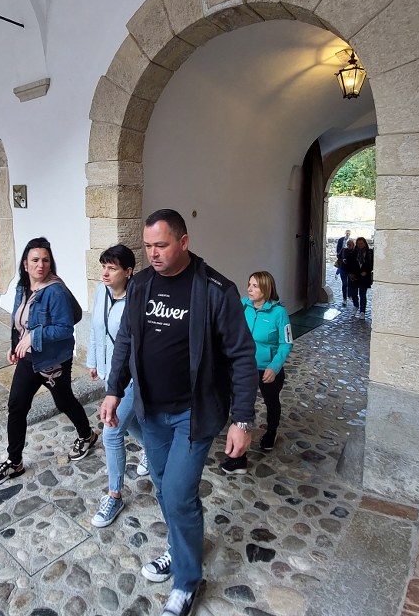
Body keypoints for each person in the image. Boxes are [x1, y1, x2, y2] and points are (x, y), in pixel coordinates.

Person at [100, 209, 258, 616]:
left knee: (177, 493)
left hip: (194, 412)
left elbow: (242, 356)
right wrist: (113, 390)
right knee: (162, 484)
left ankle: (187, 582)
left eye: (162, 245)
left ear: (183, 242)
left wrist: (242, 419)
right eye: (148, 246)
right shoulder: (140, 285)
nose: (153, 253)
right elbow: (126, 340)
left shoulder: (215, 290)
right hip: (151, 410)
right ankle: (180, 546)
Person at [0, 237, 98, 487]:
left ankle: (87, 435)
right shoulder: (22, 286)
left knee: (64, 400)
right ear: (25, 264)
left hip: (53, 361)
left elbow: (65, 329)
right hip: (29, 358)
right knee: (17, 406)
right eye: (35, 260)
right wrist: (15, 344)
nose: (41, 265)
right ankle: (14, 461)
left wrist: (33, 337)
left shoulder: (55, 291)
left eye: (45, 260)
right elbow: (18, 319)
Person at [86, 244, 149, 528]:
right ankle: (154, 448)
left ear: (128, 271)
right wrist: (93, 361)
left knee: (111, 432)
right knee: (128, 421)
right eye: (104, 267)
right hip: (110, 374)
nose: (105, 273)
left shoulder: (139, 300)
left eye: (112, 268)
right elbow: (95, 328)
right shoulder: (102, 291)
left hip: (132, 377)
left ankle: (114, 495)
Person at [221, 271, 293, 475]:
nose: (249, 289)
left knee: (271, 401)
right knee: (241, 406)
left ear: (266, 289)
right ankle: (238, 457)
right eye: (249, 284)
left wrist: (274, 367)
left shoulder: (279, 313)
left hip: (267, 368)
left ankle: (271, 430)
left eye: (255, 286)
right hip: (243, 367)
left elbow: (286, 343)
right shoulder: (243, 305)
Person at [347, 236, 374, 319]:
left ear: (365, 244)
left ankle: (362, 311)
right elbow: (349, 264)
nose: (360, 245)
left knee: (362, 294)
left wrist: (366, 271)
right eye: (358, 244)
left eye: (361, 243)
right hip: (354, 276)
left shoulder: (369, 253)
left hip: (364, 277)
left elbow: (372, 264)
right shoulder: (353, 253)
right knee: (354, 294)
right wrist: (350, 273)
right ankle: (356, 305)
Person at [337, 238, 355, 306]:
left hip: (351, 270)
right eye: (348, 244)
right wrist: (342, 260)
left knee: (351, 284)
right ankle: (344, 298)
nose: (349, 246)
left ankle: (349, 295)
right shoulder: (344, 250)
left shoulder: (355, 251)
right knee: (344, 284)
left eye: (350, 244)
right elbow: (338, 256)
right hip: (343, 269)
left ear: (353, 245)